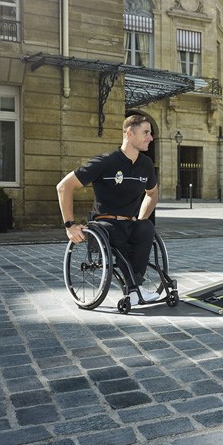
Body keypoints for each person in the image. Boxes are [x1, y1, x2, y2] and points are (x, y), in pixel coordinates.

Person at [57, 114, 162, 304]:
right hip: (105, 222)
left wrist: (140, 218)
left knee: (146, 228)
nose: (151, 137)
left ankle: (134, 287)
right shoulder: (106, 162)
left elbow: (152, 193)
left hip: (130, 221)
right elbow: (64, 186)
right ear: (130, 133)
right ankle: (134, 289)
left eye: (150, 133)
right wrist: (69, 225)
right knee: (116, 233)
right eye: (146, 132)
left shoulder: (146, 164)